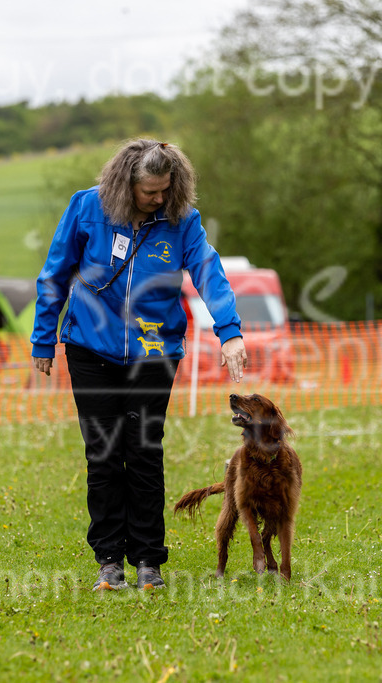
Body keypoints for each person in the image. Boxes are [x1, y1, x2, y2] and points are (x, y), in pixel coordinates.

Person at [31, 138, 248, 591]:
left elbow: (209, 272)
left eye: (166, 189)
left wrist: (229, 332)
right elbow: (54, 273)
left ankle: (149, 560)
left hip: (154, 353)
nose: (159, 199)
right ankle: (109, 560)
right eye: (150, 191)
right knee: (104, 452)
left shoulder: (181, 220)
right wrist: (43, 338)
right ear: (125, 183)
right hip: (90, 349)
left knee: (145, 451)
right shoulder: (86, 207)